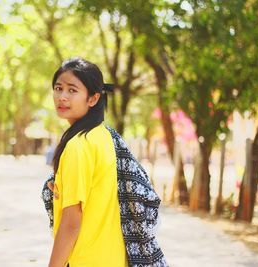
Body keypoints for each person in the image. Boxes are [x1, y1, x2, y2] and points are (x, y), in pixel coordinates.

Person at [41, 57, 167, 267]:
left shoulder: (78, 146)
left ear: (93, 98)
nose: (62, 97)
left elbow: (71, 223)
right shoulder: (105, 137)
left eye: (72, 90)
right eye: (58, 88)